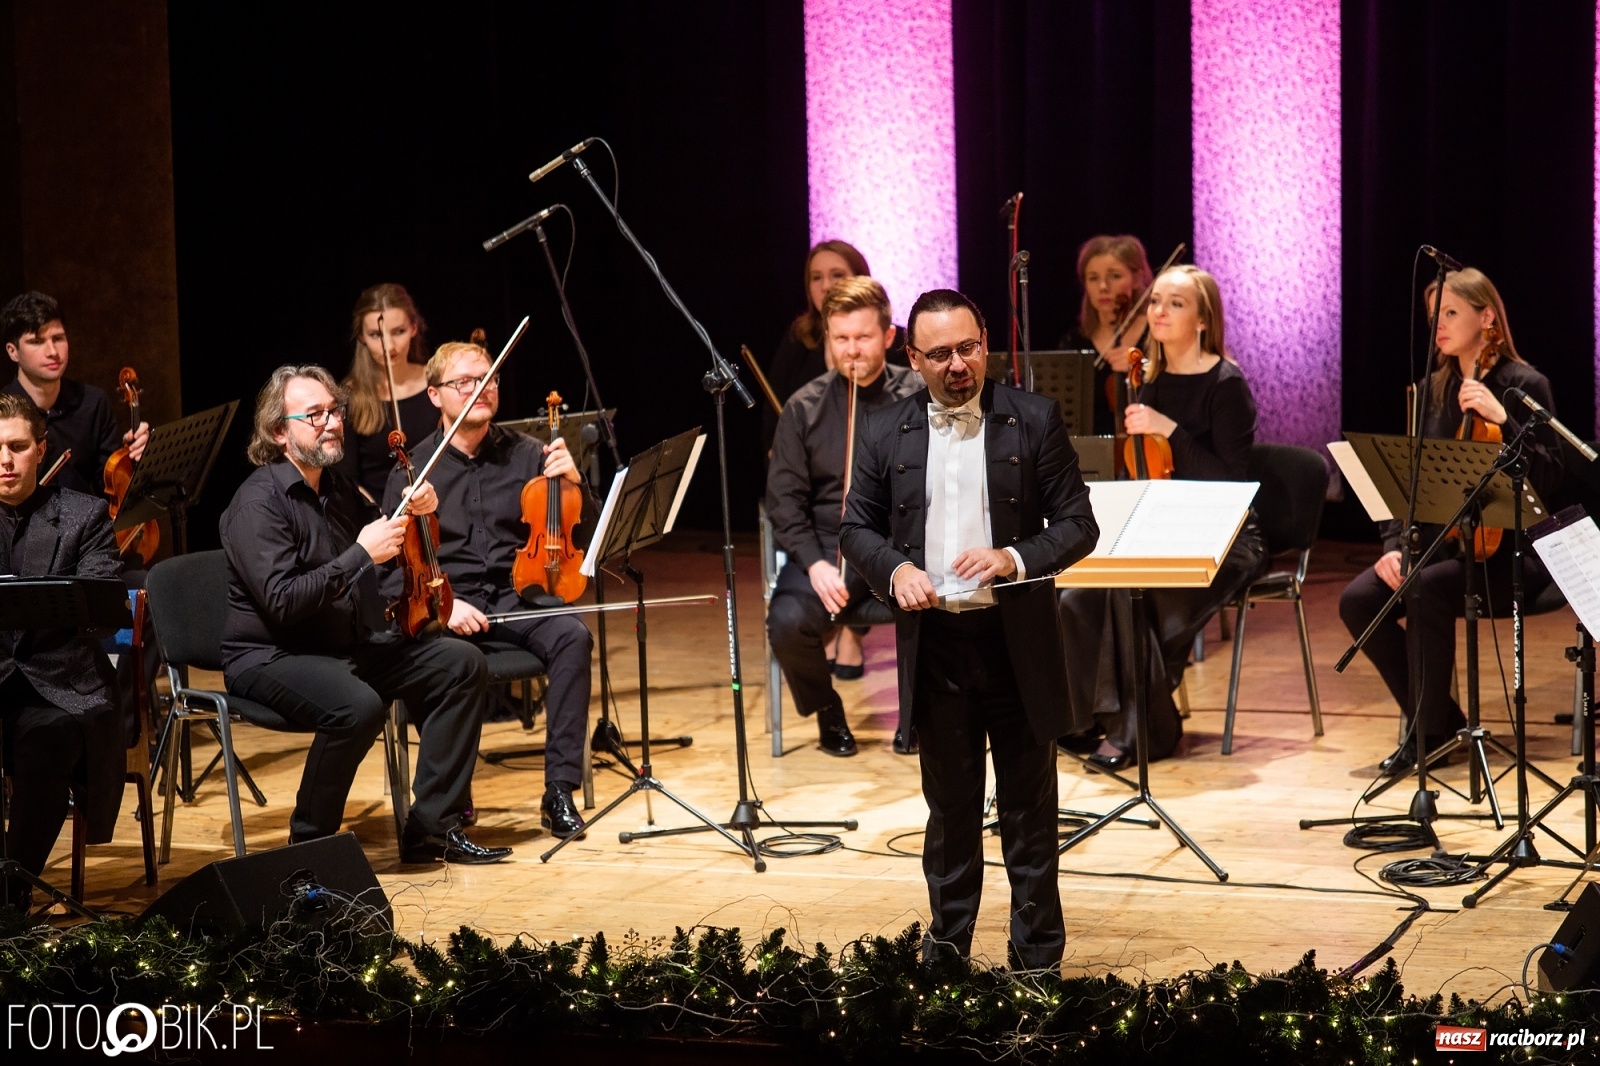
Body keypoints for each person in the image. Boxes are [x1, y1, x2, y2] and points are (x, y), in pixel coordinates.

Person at [840, 288, 1098, 971]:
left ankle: (1037, 966)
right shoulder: (884, 429)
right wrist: (895, 570)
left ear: (985, 344)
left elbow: (1080, 525)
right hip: (937, 648)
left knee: (1029, 815)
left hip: (1015, 643)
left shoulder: (1034, 419)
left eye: (968, 348)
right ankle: (947, 960)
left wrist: (1013, 557)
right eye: (940, 355)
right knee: (951, 814)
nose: (958, 365)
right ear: (912, 358)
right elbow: (855, 528)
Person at [219, 364, 507, 863]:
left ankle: (431, 828)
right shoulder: (257, 504)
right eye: (315, 415)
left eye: (335, 411)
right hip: (271, 656)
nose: (332, 423)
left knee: (460, 664)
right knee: (357, 707)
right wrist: (359, 555)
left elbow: (389, 540)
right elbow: (283, 601)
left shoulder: (337, 487)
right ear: (279, 432)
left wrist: (418, 510)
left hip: (342, 646)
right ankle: (309, 848)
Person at [1339, 267, 1563, 775]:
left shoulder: (1524, 385)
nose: (1437, 324)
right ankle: (1444, 721)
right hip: (1443, 548)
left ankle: (1425, 735)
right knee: (1358, 601)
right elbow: (1407, 483)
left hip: (1514, 557)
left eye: (1451, 312)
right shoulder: (1430, 390)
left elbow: (1549, 477)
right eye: (1432, 314)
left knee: (1427, 590)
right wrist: (1394, 546)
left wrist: (1505, 420)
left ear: (1487, 319)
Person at [382, 336, 596, 838]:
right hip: (447, 604)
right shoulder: (413, 472)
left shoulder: (530, 456)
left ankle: (559, 789)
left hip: (515, 596)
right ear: (434, 395)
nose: (479, 389)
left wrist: (575, 484)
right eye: (463, 382)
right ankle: (452, 792)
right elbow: (391, 571)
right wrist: (444, 606)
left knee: (572, 636)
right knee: (428, 649)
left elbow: (578, 534)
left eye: (488, 379)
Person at [1057, 265, 1268, 769]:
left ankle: (1139, 731)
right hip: (1160, 530)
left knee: (1131, 600)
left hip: (1225, 538)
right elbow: (1139, 472)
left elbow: (1231, 483)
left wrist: (1169, 429)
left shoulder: (1226, 383)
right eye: (1155, 301)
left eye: (1175, 303)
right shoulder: (1145, 380)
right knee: (1076, 596)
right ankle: (1089, 720)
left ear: (1202, 320)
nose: (1159, 311)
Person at [766, 277, 922, 756]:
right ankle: (827, 708)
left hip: (903, 546)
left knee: (944, 611)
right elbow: (784, 502)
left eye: (863, 337)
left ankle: (918, 714)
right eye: (841, 338)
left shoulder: (919, 397)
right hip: (829, 546)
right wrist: (814, 563)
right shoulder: (804, 407)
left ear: (888, 336)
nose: (851, 350)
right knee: (787, 622)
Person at [0, 391, 126, 907]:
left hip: (58, 683)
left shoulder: (83, 515)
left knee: (46, 745)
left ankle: (10, 898)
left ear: (41, 449)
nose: (5, 461)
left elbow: (102, 606)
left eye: (17, 447)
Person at [762, 240, 908, 453]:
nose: (826, 286)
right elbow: (772, 426)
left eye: (837, 275)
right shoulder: (798, 338)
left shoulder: (899, 343)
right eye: (816, 277)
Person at [0, 291, 149, 501]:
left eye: (58, 338)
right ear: (12, 351)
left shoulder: (93, 403)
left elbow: (110, 489)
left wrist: (129, 460)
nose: (52, 351)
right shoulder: (3, 412)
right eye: (37, 341)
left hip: (84, 520)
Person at [334, 283, 439, 502]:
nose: (389, 346)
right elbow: (347, 479)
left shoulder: (439, 382)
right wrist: (381, 515)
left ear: (414, 328)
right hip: (380, 514)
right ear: (361, 337)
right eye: (375, 335)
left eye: (398, 331)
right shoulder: (348, 397)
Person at [1061, 236, 1154, 437]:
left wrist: (1143, 367)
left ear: (1137, 278)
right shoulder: (1074, 341)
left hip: (1152, 447)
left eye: (1115, 276)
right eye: (1093, 278)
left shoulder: (1157, 332)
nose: (1103, 286)